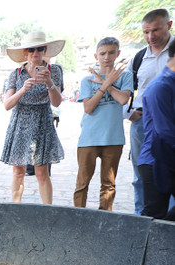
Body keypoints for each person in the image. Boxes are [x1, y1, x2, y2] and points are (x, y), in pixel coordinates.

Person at [1, 31, 65, 205]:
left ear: (45, 50)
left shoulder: (54, 71)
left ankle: (48, 210)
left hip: (42, 122)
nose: (36, 53)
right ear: (25, 52)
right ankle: (16, 208)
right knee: (18, 171)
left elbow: (57, 102)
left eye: (40, 49)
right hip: (20, 123)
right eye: (31, 49)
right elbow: (7, 105)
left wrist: (49, 83)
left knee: (42, 172)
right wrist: (23, 89)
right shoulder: (16, 74)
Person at [73, 37, 133, 211]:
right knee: (82, 183)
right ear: (96, 56)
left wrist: (106, 84)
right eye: (102, 53)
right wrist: (105, 83)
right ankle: (78, 218)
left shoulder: (125, 76)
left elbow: (123, 99)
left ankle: (104, 218)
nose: (107, 57)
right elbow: (88, 108)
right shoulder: (87, 80)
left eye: (111, 52)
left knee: (109, 184)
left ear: (118, 53)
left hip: (113, 138)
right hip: (89, 139)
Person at [126, 9, 173, 215]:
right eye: (146, 32)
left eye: (155, 30)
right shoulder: (138, 57)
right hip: (142, 121)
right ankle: (142, 219)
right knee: (142, 173)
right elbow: (126, 89)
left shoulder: (172, 53)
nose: (150, 36)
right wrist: (128, 114)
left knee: (169, 174)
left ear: (169, 25)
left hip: (169, 121)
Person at [138, 39, 175, 220]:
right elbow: (165, 132)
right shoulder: (160, 87)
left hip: (168, 159)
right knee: (153, 219)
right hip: (156, 162)